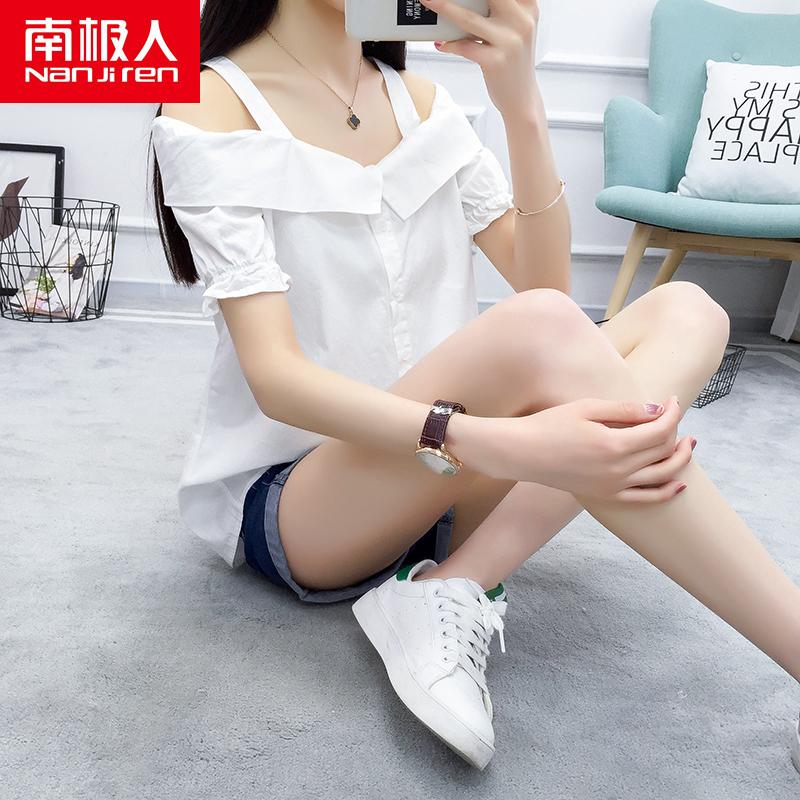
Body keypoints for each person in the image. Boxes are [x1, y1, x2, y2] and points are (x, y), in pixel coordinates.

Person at [149, 0, 800, 772]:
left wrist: (520, 100)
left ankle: (453, 583)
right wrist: (497, 441)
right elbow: (277, 380)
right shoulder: (211, 100)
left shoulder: (421, 104)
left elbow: (545, 290)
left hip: (448, 490)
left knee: (690, 313)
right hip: (309, 503)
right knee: (541, 331)